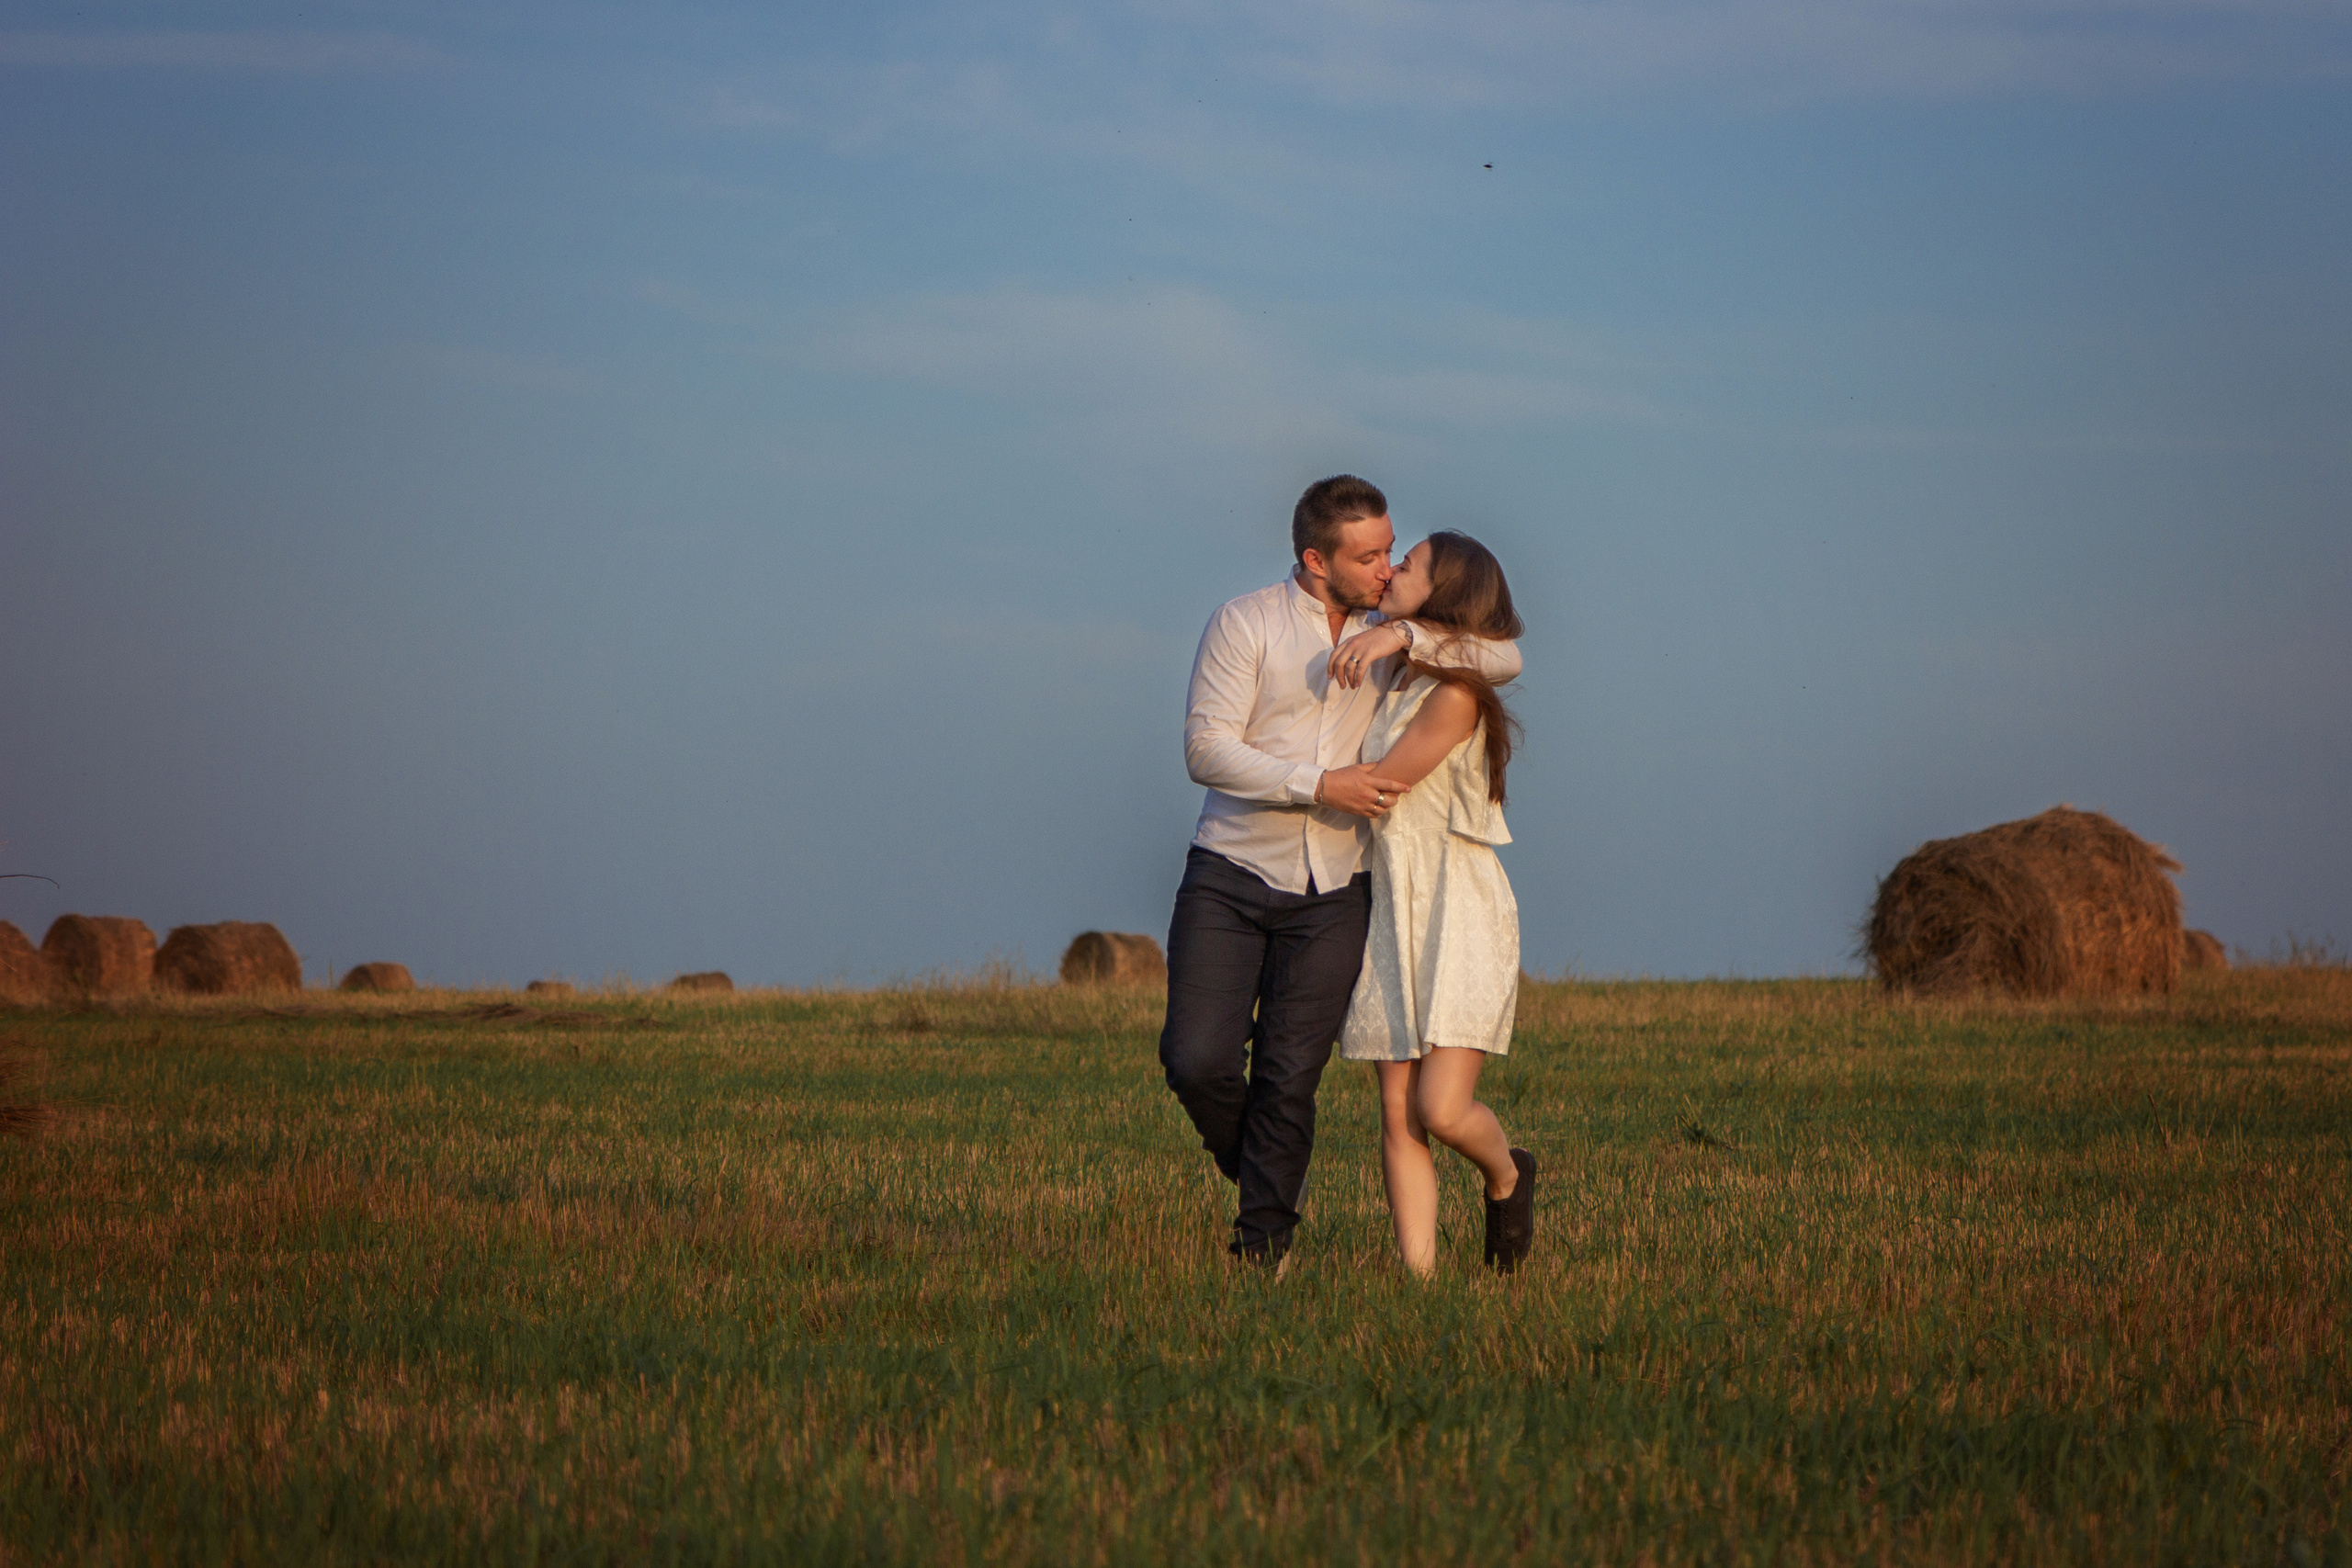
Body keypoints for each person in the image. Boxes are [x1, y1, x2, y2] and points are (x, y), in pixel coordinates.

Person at [1159, 477, 1521, 1269]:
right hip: (1231, 870)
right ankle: (1263, 1171)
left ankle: (1264, 1250)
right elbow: (1204, 749)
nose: (1388, 568)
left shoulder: (1392, 637)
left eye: (1394, 551)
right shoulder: (1244, 622)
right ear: (1316, 559)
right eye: (1372, 555)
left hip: (1338, 890)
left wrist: (1402, 640)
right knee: (1196, 1060)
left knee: (1292, 1077)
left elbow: (1505, 652)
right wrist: (1319, 784)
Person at [1331, 531, 1533, 1275]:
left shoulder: (1454, 694)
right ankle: (1418, 1281)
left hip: (1458, 906)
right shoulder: (1399, 678)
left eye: (1408, 566)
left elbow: (1383, 782)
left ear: (1443, 593)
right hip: (1392, 900)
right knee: (1394, 1109)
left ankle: (1507, 1174)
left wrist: (1396, 633)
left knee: (1440, 1110)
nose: (1392, 571)